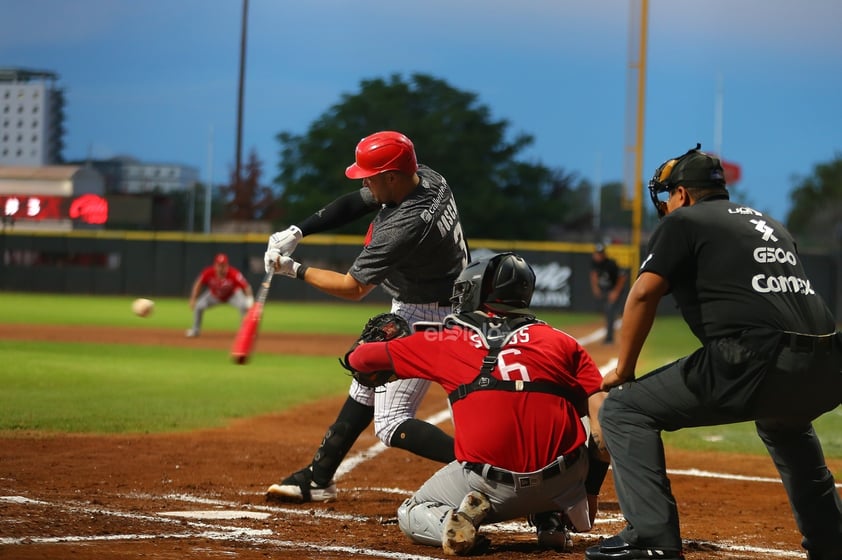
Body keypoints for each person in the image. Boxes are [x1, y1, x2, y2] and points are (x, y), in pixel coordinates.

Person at [587, 145, 842, 560]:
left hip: (754, 357)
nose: (668, 204)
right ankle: (832, 542)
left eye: (669, 195)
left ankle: (652, 539)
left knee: (622, 411)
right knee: (785, 423)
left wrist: (624, 370)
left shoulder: (683, 220)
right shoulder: (772, 223)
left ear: (683, 194)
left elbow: (643, 294)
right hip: (829, 363)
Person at [346, 253, 610, 555]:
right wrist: (590, 492)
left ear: (478, 292)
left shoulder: (444, 340)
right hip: (565, 482)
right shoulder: (563, 342)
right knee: (592, 411)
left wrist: (377, 346)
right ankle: (553, 518)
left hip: (491, 487)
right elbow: (605, 431)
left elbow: (361, 359)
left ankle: (455, 520)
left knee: (412, 512)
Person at [262, 130, 469, 503]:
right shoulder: (428, 177)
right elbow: (359, 201)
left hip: (427, 313)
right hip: (450, 297)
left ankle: (481, 466)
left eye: (370, 176)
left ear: (392, 176)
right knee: (366, 382)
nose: (365, 182)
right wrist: (300, 230)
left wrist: (292, 269)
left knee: (390, 422)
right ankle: (319, 476)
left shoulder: (403, 225)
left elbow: (353, 287)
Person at [186, 253, 254, 337]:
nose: (221, 268)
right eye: (219, 265)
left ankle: (245, 332)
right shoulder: (208, 272)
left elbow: (246, 286)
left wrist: (250, 299)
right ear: (215, 265)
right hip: (214, 295)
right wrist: (193, 298)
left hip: (232, 295)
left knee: (244, 305)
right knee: (199, 306)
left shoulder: (234, 273)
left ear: (227, 265)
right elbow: (198, 283)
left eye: (223, 265)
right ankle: (195, 330)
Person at [589, 243, 627, 344]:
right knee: (606, 311)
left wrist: (615, 292)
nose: (598, 255)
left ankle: (609, 338)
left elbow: (622, 277)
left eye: (600, 254)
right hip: (605, 290)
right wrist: (596, 288)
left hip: (615, 289)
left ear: (604, 254)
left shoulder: (611, 264)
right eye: (597, 253)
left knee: (610, 311)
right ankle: (609, 335)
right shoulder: (595, 263)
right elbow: (594, 274)